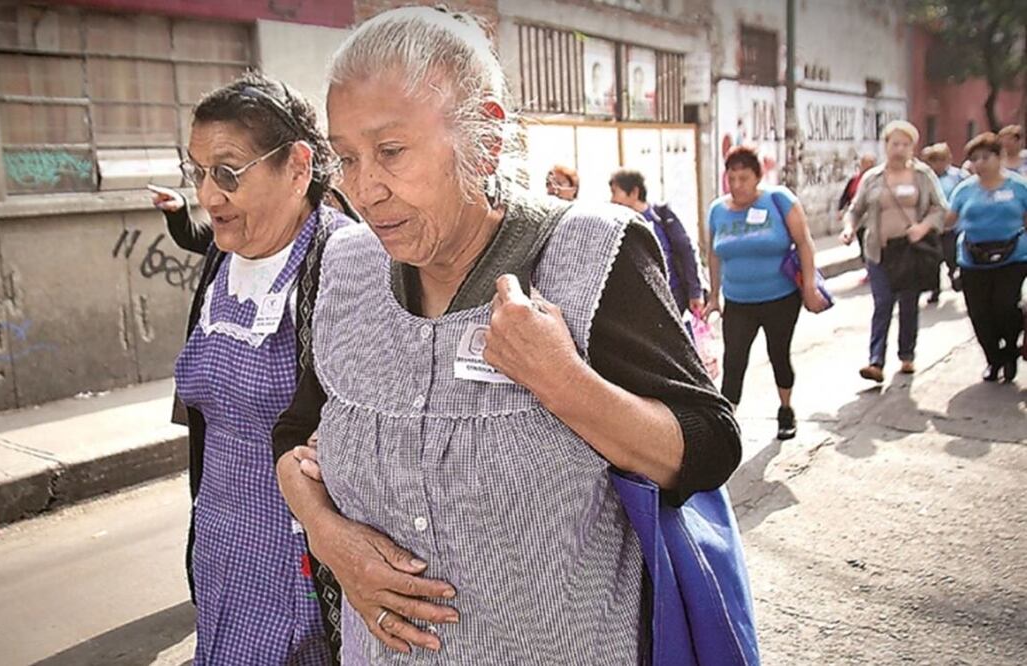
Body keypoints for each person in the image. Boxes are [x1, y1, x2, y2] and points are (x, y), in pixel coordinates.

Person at [271, 7, 743, 662]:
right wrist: (328, 536)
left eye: (390, 152)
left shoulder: (593, 254)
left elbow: (709, 447)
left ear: (486, 137)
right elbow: (296, 430)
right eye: (345, 158)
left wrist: (564, 383)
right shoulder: (346, 264)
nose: (364, 189)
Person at [166, 72, 356, 665]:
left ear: (297, 167)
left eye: (228, 173)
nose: (207, 196)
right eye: (197, 172)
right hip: (221, 541)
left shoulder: (346, 264)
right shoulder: (221, 260)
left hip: (304, 558)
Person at [703, 145, 828, 440]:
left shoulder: (779, 199)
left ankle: (785, 410)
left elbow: (804, 243)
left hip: (780, 298)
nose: (737, 185)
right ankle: (726, 426)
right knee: (734, 361)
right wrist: (714, 295)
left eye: (744, 178)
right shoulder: (718, 210)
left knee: (778, 355)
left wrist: (809, 285)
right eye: (731, 178)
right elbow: (713, 254)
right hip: (738, 301)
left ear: (758, 177)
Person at [841, 120, 948, 384]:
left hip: (910, 251)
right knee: (883, 304)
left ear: (912, 147)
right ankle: (875, 361)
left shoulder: (922, 175)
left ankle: (907, 354)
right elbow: (856, 209)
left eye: (905, 144)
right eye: (894, 143)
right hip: (879, 251)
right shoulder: (873, 177)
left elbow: (939, 208)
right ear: (885, 145)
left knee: (909, 304)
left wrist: (923, 227)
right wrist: (849, 228)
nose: (899, 149)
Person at [946, 132, 1027, 382]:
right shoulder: (964, 190)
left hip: (1013, 257)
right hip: (973, 258)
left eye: (985, 157)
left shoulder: (1018, 187)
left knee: (1005, 306)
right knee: (980, 313)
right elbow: (949, 220)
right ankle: (993, 359)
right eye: (974, 159)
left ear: (999, 157)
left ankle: (1010, 350)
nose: (979, 163)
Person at [609, 168, 704, 315]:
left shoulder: (661, 217)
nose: (612, 200)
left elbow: (685, 251)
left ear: (634, 192)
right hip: (641, 302)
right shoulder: (620, 224)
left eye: (615, 192)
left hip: (673, 297)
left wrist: (695, 292)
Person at [921, 142, 967, 300]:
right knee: (932, 260)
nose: (937, 164)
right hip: (932, 226)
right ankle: (935, 289)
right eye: (933, 160)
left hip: (953, 226)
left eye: (941, 160)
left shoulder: (958, 176)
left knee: (951, 256)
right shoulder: (925, 177)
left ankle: (955, 277)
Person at [838, 152, 878, 267]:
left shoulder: (878, 180)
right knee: (862, 240)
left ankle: (870, 265)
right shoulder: (854, 180)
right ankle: (866, 263)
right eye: (865, 164)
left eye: (870, 164)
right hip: (859, 217)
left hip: (873, 218)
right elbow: (845, 196)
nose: (867, 167)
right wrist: (840, 210)